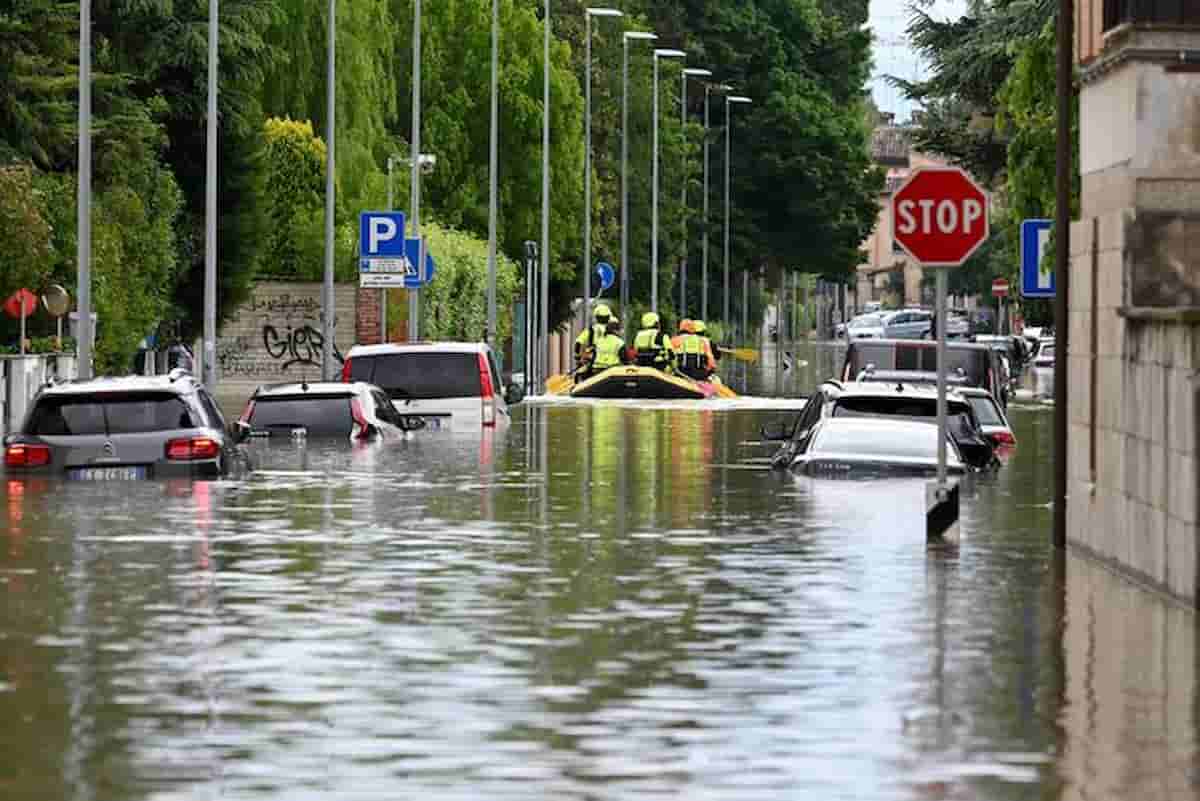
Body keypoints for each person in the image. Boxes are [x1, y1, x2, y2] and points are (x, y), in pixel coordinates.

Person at [574, 303, 612, 374]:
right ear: (608, 317)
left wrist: (578, 358)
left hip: (593, 364)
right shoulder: (612, 331)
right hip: (610, 366)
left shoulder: (591, 330)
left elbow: (578, 343)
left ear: (596, 317)